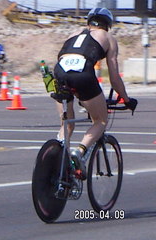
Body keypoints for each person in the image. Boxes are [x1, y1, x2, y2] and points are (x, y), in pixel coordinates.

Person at [52, 7, 137, 180]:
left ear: (89, 22)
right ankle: (79, 152)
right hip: (82, 75)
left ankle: (58, 158)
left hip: (58, 74)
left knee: (66, 123)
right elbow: (114, 77)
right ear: (107, 25)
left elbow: (63, 60)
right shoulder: (108, 38)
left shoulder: (74, 33)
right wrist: (126, 99)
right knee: (100, 120)